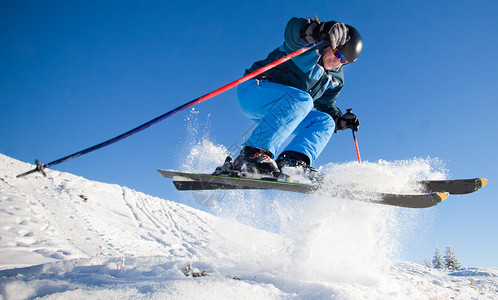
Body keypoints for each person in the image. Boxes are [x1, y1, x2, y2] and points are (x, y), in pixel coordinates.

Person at [232, 17, 363, 177]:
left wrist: (338, 118)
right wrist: (318, 30)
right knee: (303, 100)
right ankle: (251, 155)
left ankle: (292, 161)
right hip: (255, 90)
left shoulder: (335, 80)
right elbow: (293, 32)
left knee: (324, 122)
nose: (337, 62)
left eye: (344, 60)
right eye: (337, 53)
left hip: (283, 112)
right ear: (329, 44)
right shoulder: (308, 47)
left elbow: (325, 104)